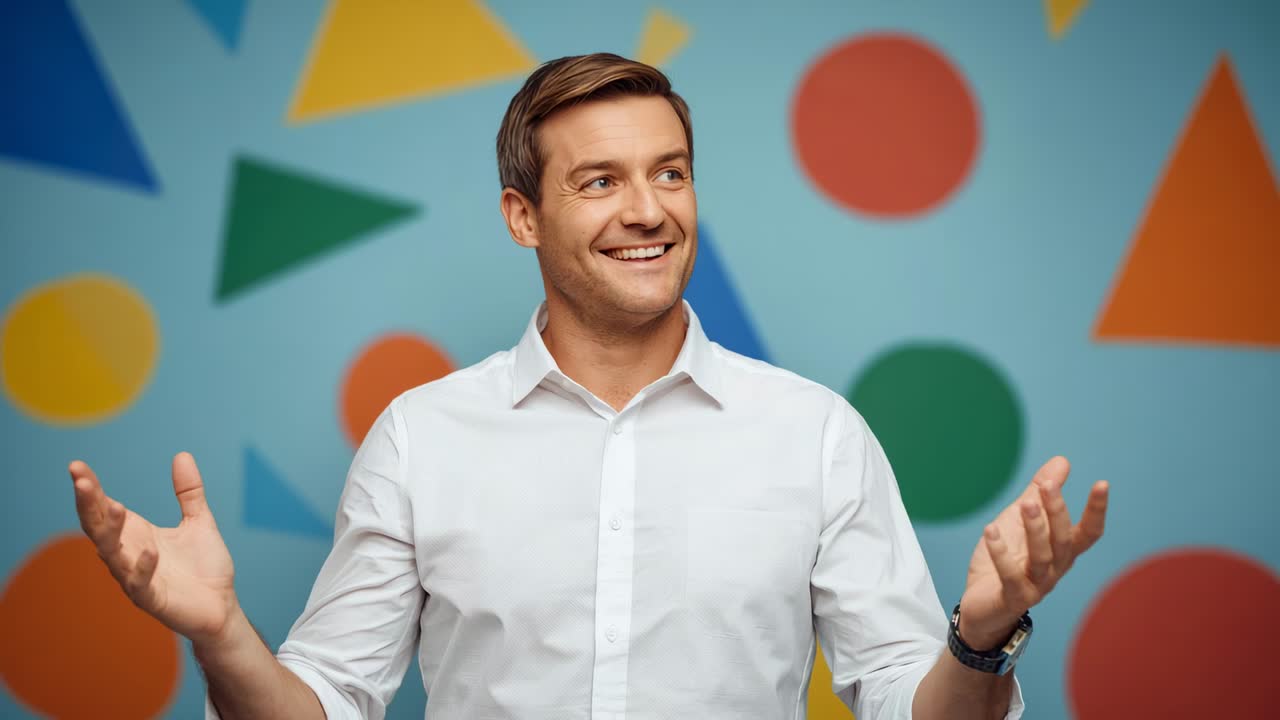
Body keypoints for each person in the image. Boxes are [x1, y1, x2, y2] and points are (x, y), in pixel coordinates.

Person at [69, 53, 1108, 719]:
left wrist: (976, 646)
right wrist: (221, 635)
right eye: (600, 181)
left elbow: (904, 709)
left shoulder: (813, 435)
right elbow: (325, 704)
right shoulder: (420, 438)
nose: (648, 210)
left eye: (669, 172)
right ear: (522, 217)